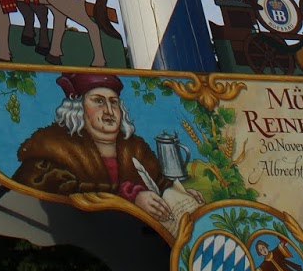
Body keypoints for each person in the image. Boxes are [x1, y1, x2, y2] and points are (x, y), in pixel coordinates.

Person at [15, 74, 192, 223]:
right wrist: (129, 196)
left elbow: (157, 181)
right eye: (98, 101)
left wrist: (178, 195)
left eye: (113, 102)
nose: (108, 110)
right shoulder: (53, 145)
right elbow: (54, 186)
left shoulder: (135, 147)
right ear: (78, 107)